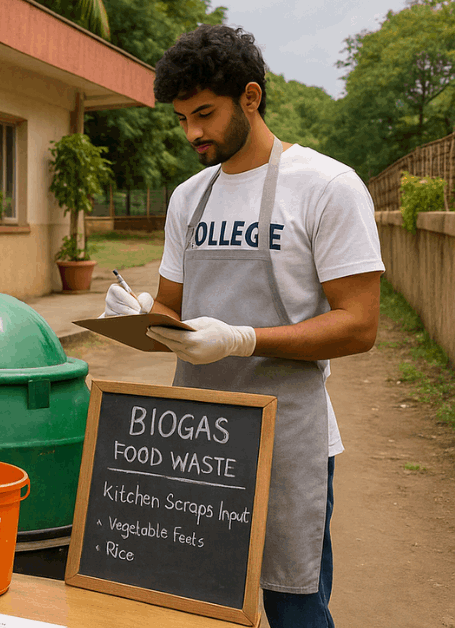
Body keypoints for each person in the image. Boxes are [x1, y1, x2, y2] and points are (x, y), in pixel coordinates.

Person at [98, 25, 385, 627]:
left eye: (204, 114)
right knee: (191, 599)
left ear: (250, 97)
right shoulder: (188, 198)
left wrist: (244, 339)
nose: (192, 133)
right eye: (181, 119)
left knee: (294, 605)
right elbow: (172, 315)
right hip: (194, 434)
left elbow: (359, 326)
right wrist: (139, 316)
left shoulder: (326, 187)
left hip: (289, 437)